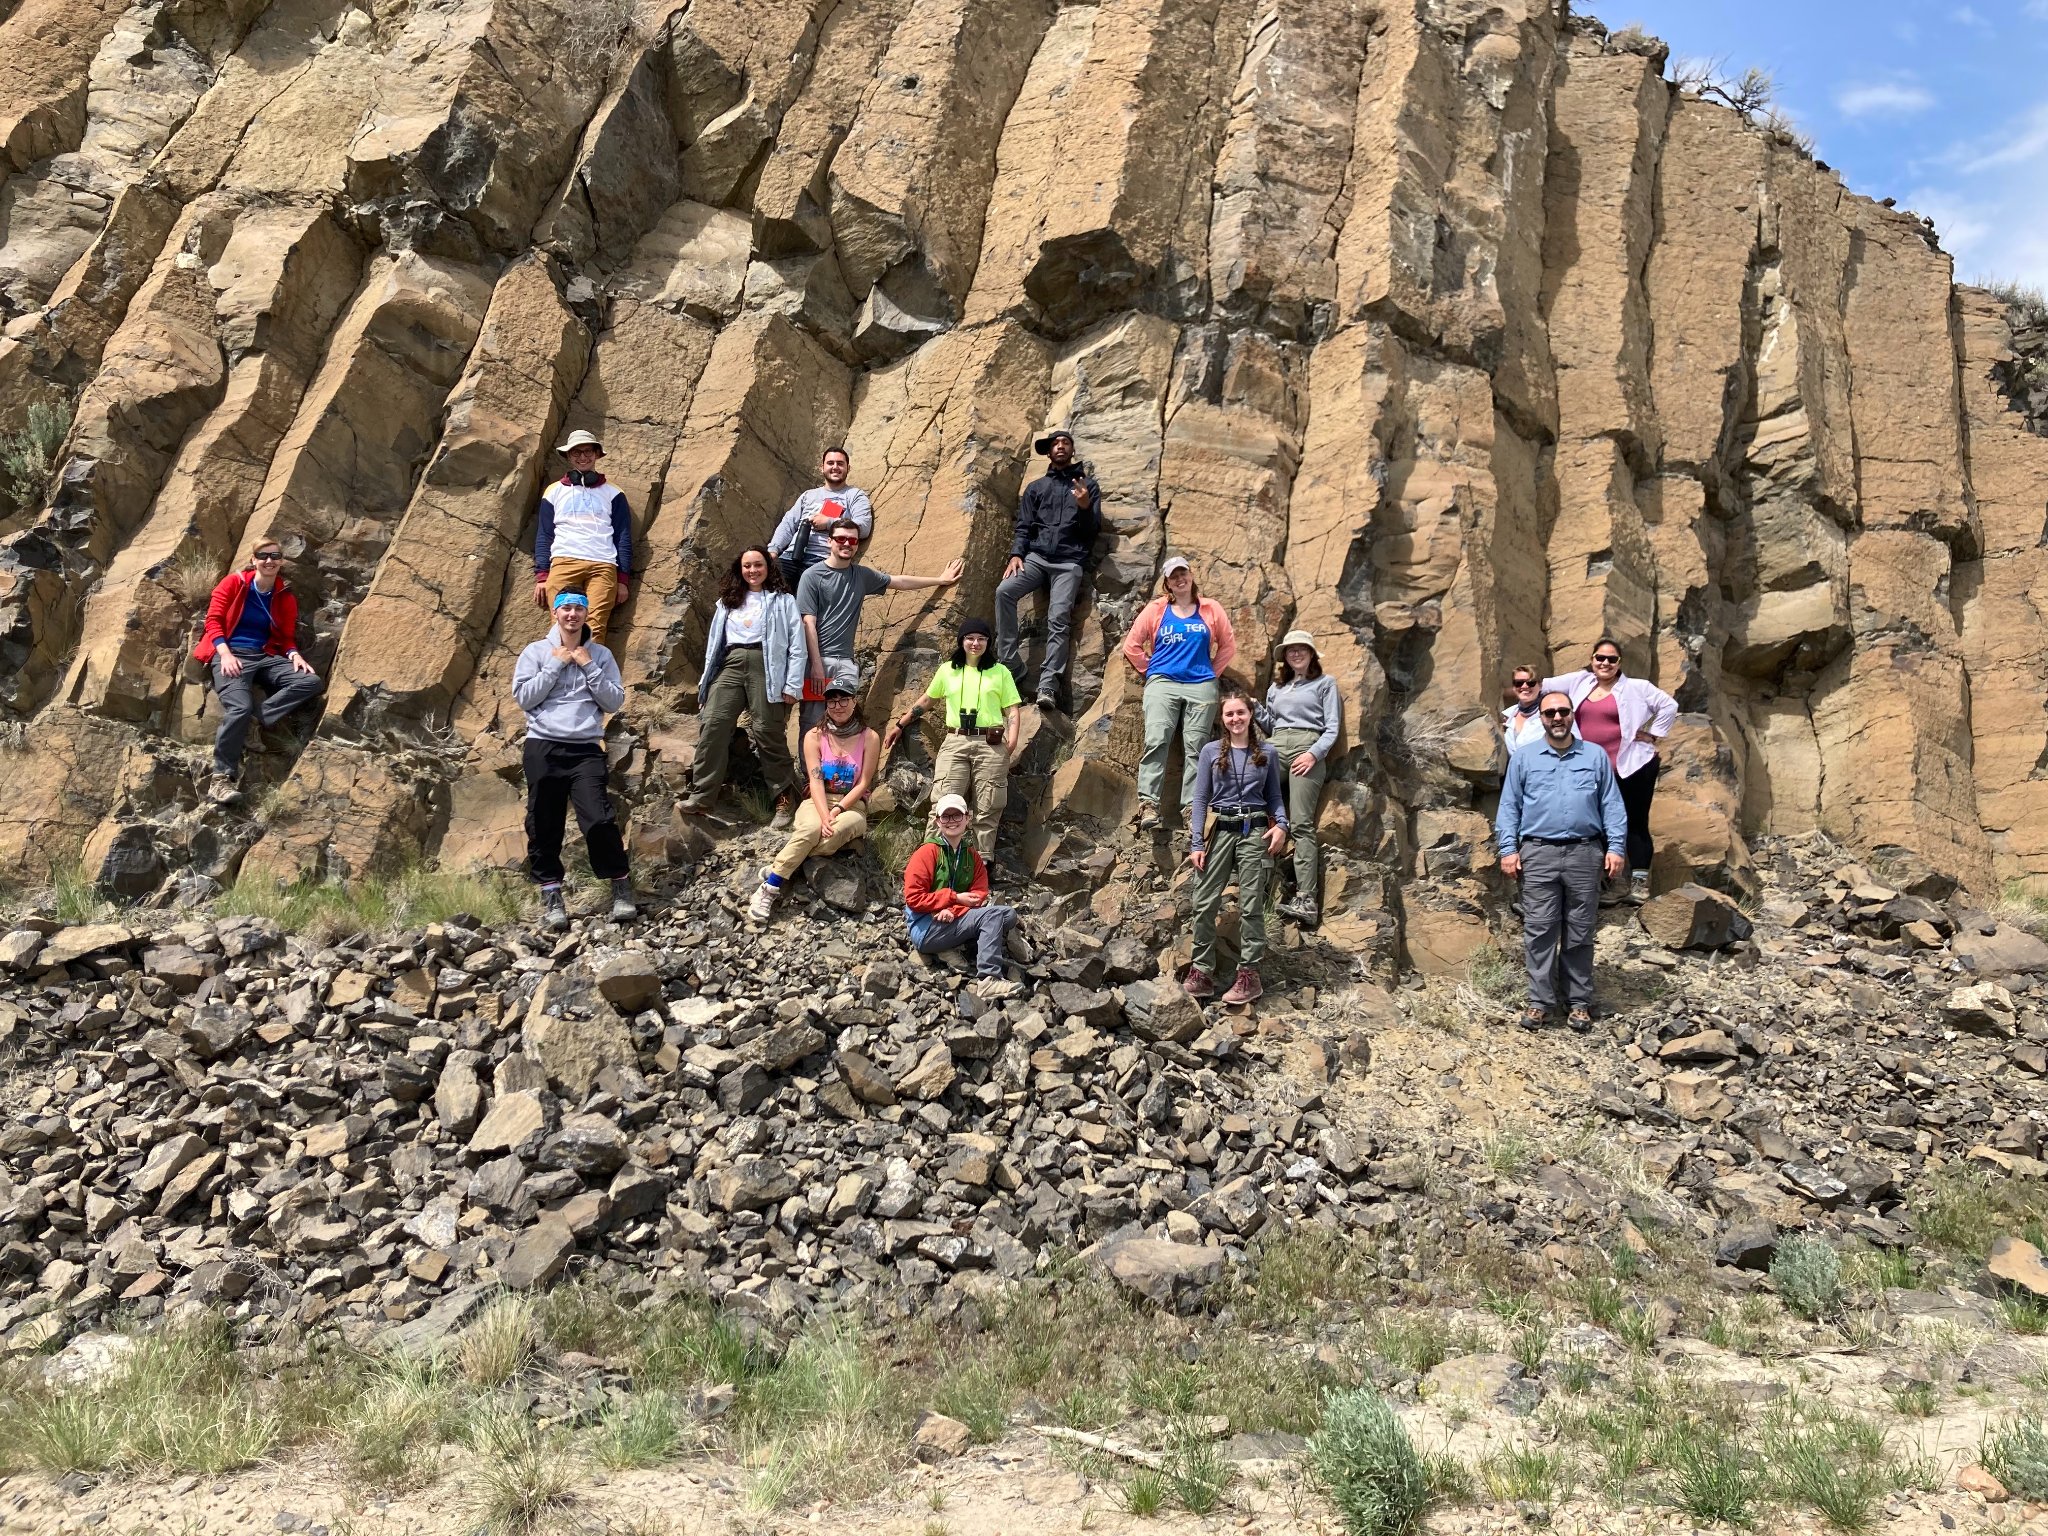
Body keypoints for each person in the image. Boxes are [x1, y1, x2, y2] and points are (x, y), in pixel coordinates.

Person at [1495, 691, 1627, 1031]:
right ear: (1541, 717)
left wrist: (1616, 847)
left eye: (1563, 711)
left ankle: (1578, 1002)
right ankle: (1539, 1002)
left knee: (1580, 932)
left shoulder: (1594, 756)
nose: (1557, 717)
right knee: (1539, 930)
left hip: (1585, 854)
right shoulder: (1524, 759)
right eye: (1550, 712)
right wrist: (1508, 850)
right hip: (1537, 854)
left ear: (1572, 716)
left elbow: (1611, 804)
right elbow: (1509, 806)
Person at [512, 590, 635, 930]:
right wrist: (556, 663)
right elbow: (524, 697)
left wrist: (586, 664)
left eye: (578, 609)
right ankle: (552, 894)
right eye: (566, 608)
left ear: (586, 615)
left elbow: (613, 701)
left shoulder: (601, 655)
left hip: (585, 749)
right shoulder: (536, 652)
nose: (572, 614)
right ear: (555, 613)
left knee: (598, 819)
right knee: (543, 823)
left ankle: (620, 886)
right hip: (543, 746)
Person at [796, 517, 963, 731]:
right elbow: (808, 622)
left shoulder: (861, 575)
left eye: (852, 540)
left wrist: (940, 580)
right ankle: (810, 766)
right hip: (818, 662)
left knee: (844, 724)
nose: (847, 543)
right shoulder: (812, 576)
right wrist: (817, 666)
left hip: (846, 664)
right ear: (829, 541)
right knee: (813, 725)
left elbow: (899, 582)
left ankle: (839, 765)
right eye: (841, 538)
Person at [1542, 639, 1676, 901]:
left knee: (1634, 823)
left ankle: (1638, 886)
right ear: (1592, 659)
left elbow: (1669, 706)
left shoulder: (1637, 687)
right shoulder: (1580, 682)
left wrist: (1653, 734)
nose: (1605, 663)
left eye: (1611, 659)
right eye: (1600, 658)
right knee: (1598, 825)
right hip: (1591, 769)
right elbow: (1542, 687)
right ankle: (1613, 884)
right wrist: (1514, 707)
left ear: (1619, 663)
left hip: (1633, 766)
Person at [192, 538, 324, 804]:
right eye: (263, 556)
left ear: (281, 561)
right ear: (253, 560)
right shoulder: (234, 583)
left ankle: (255, 720)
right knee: (238, 707)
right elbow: (213, 621)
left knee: (310, 682)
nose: (269, 560)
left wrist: (294, 654)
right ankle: (220, 779)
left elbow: (286, 637)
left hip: (265, 656)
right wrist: (225, 653)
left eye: (275, 556)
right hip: (230, 656)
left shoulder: (283, 596)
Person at [684, 546, 807, 822]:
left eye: (758, 565)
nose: (752, 571)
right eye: (747, 566)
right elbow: (713, 646)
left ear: (768, 567)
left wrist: (792, 684)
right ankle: (703, 796)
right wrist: (706, 682)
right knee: (714, 723)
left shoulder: (783, 600)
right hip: (730, 662)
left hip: (766, 665)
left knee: (767, 730)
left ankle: (785, 801)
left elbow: (797, 646)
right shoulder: (727, 601)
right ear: (740, 569)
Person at [749, 663, 879, 922]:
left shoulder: (870, 737)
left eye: (844, 700)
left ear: (854, 702)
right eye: (832, 701)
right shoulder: (814, 736)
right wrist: (824, 814)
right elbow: (815, 780)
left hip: (851, 805)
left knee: (835, 836)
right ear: (826, 706)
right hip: (817, 800)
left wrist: (839, 809)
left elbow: (864, 783)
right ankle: (770, 887)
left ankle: (783, 864)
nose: (838, 706)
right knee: (810, 830)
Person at [1183, 687, 1288, 1006]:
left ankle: (1249, 976)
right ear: (1223, 718)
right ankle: (1202, 973)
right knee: (1203, 902)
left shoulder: (1268, 753)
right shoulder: (1211, 751)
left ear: (1250, 714)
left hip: (1255, 832)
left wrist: (1282, 825)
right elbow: (1200, 799)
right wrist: (1197, 842)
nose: (1235, 718)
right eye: (1229, 713)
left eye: (1240, 712)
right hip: (1219, 833)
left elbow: (1274, 797)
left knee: (1252, 904)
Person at [883, 618, 1021, 858]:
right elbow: (927, 700)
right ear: (962, 641)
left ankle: (982, 864)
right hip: (955, 741)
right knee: (943, 802)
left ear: (988, 642)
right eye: (970, 638)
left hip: (990, 742)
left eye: (981, 639)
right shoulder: (948, 670)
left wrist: (1011, 743)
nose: (975, 643)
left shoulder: (1000, 672)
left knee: (988, 808)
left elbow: (1013, 710)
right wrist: (900, 724)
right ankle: (931, 860)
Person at [1121, 556, 1237, 828]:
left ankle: (1191, 810)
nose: (1179, 579)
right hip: (1163, 683)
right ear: (1167, 583)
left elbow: (1228, 646)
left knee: (1196, 748)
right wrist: (1151, 670)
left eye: (1183, 573)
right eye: (1174, 576)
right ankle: (1148, 804)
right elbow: (1132, 645)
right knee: (1157, 739)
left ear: (1191, 574)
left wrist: (1211, 673)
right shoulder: (1156, 609)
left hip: (1201, 685)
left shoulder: (1211, 608)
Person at [997, 428, 1100, 711]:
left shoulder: (1087, 486)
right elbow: (1024, 526)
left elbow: (1092, 531)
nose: (1061, 446)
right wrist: (1016, 554)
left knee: (1058, 619)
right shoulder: (1036, 488)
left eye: (1066, 443)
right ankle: (1010, 663)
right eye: (1055, 443)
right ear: (1049, 451)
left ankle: (1048, 686)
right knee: (1004, 592)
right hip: (1037, 558)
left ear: (1072, 450)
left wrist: (1083, 507)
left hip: (1069, 563)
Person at [902, 793, 1026, 1001]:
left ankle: (950, 947)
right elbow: (913, 898)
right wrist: (951, 901)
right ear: (937, 821)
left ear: (967, 818)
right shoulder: (926, 853)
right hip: (925, 927)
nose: (951, 821)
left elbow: (979, 893)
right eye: (946, 817)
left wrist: (952, 910)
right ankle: (988, 979)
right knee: (992, 916)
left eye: (957, 815)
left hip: (952, 919)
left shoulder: (971, 855)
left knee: (1008, 915)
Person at [1258, 630, 1341, 924]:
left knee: (1302, 824)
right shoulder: (1276, 688)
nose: (1295, 654)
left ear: (1311, 653)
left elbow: (1332, 727)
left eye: (1301, 649)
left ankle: (1306, 900)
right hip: (1276, 745)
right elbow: (1271, 723)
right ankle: (1254, 881)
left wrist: (1314, 754)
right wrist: (1253, 708)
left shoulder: (1325, 684)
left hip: (1308, 746)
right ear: (1285, 656)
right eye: (1290, 650)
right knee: (1255, 803)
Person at [533, 429, 633, 646]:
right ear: (568, 457)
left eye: (588, 451)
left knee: (595, 629)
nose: (583, 457)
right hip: (563, 561)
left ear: (597, 454)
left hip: (603, 565)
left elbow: (623, 537)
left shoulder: (614, 493)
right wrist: (542, 575)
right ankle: (560, 677)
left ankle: (590, 678)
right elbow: (544, 534)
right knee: (560, 626)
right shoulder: (553, 491)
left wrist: (622, 579)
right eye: (576, 453)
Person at [766, 446, 874, 592]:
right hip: (790, 556)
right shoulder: (808, 495)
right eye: (830, 463)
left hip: (821, 560)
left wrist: (829, 523)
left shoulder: (855, 495)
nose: (835, 467)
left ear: (848, 468)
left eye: (840, 464)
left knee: (804, 607)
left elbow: (864, 527)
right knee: (770, 598)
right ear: (821, 468)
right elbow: (789, 523)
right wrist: (773, 550)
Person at [1500, 664, 1550, 755]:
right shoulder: (1507, 716)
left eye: (1530, 682)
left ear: (1540, 685)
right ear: (1514, 687)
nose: (1524, 686)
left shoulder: (1552, 714)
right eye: (1519, 683)